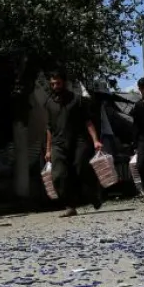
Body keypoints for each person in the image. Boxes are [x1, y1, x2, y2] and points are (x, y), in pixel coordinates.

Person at [43, 73, 104, 218]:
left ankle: (93, 195)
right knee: (58, 175)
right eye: (52, 84)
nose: (55, 87)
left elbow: (88, 122)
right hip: (58, 143)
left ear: (64, 83)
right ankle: (70, 206)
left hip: (78, 141)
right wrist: (48, 150)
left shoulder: (77, 100)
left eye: (58, 83)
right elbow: (49, 128)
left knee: (80, 168)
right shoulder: (49, 103)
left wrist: (95, 140)